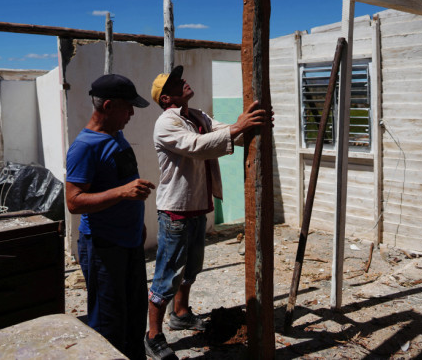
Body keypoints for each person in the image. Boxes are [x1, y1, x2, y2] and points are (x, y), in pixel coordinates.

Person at [144, 65, 269, 360]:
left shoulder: (197, 115)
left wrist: (251, 125)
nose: (184, 82)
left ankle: (181, 314)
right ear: (165, 98)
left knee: (191, 267)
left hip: (197, 205)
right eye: (176, 83)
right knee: (167, 274)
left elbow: (225, 132)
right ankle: (152, 336)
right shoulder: (166, 123)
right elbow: (197, 146)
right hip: (176, 209)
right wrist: (239, 127)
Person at [65, 73, 155, 360]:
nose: (131, 113)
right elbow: (74, 202)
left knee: (134, 316)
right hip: (103, 246)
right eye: (127, 106)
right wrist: (122, 193)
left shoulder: (116, 135)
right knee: (109, 324)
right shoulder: (84, 147)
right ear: (107, 106)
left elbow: (124, 180)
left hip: (128, 242)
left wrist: (136, 221)